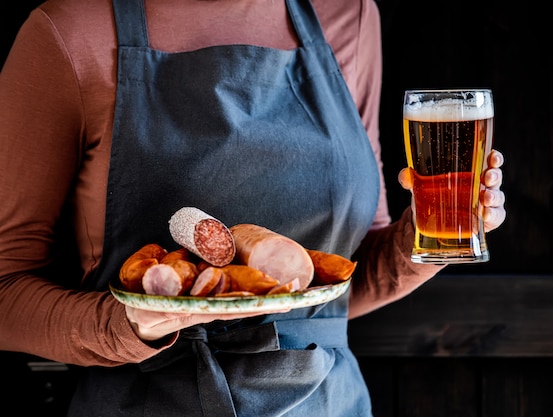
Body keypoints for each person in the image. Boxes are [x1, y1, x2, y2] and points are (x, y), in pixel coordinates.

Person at [0, 0, 506, 415]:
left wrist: (432, 232)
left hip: (329, 404)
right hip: (146, 401)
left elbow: (348, 278)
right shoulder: (69, 31)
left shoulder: (348, 18)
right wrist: (125, 324)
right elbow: (6, 290)